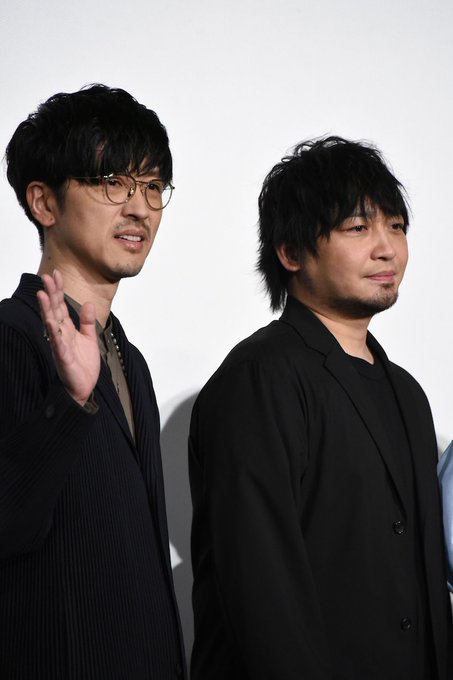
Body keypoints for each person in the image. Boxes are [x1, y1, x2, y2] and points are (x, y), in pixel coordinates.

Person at [189, 137, 453, 679]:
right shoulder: (261, 377)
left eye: (397, 226)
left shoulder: (408, 394)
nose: (387, 248)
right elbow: (261, 591)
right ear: (291, 253)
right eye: (358, 228)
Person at [0, 84, 186, 679]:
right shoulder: (11, 337)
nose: (140, 209)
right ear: (43, 202)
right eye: (112, 183)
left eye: (153, 186)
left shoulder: (131, 360)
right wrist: (70, 401)